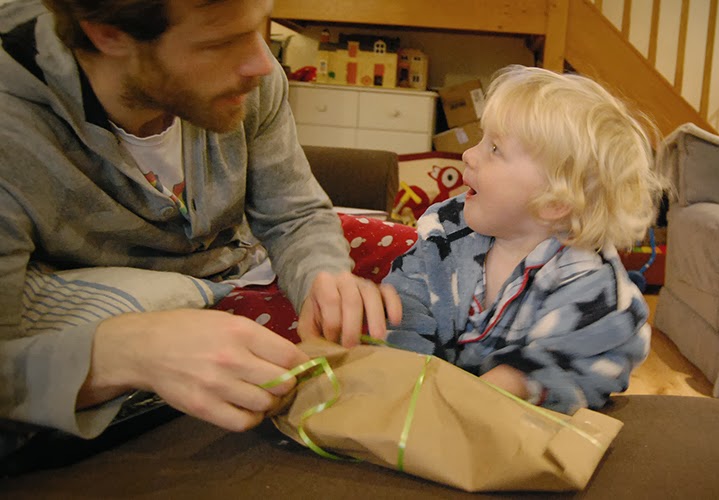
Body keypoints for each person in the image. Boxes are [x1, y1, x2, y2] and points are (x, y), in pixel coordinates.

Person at [0, 0, 401, 451]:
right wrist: (120, 354)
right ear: (108, 35)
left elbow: (294, 213)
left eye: (256, 29)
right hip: (168, 308)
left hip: (245, 266)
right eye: (221, 42)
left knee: (414, 260)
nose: (262, 64)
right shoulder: (12, 129)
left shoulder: (249, 84)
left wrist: (320, 276)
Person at [379, 65, 664, 415]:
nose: (469, 154)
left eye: (495, 148)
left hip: (508, 425)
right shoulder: (446, 230)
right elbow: (406, 301)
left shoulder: (591, 285)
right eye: (481, 139)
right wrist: (406, 376)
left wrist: (515, 381)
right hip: (420, 407)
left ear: (554, 201)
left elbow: (593, 359)